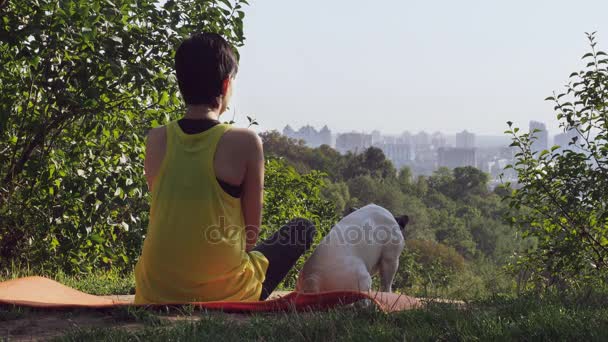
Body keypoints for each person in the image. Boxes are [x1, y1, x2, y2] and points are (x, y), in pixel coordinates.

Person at [134, 33, 316, 304]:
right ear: (226, 83)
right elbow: (251, 236)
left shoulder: (156, 138)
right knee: (303, 228)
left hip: (155, 290)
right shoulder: (245, 141)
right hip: (224, 294)